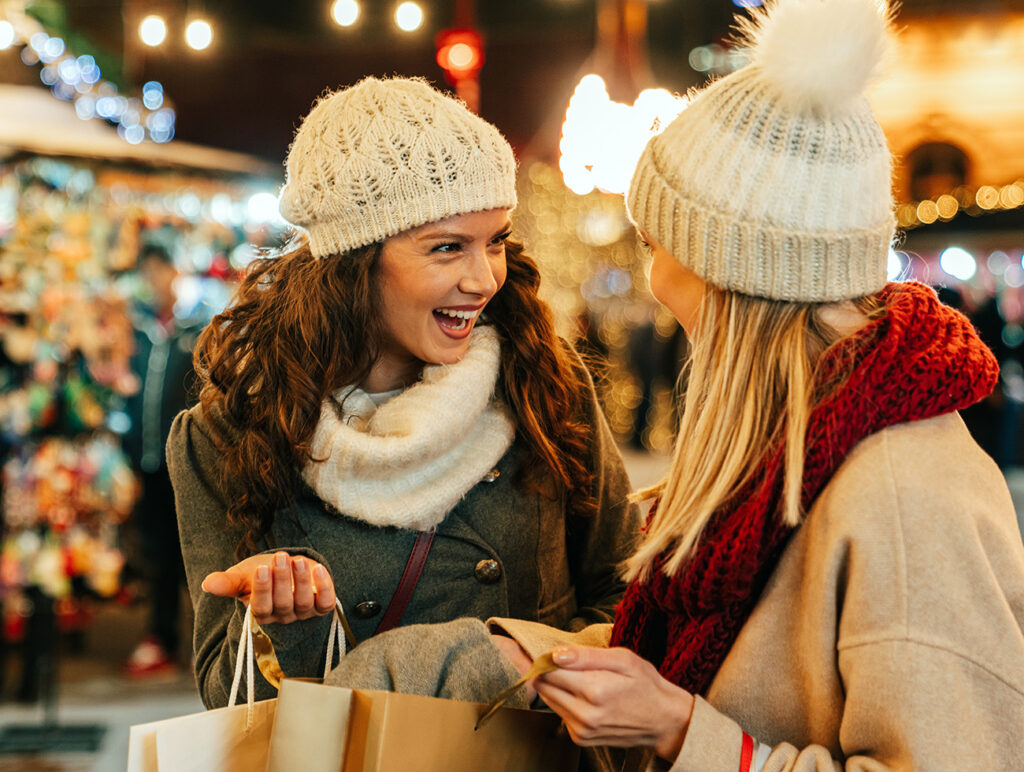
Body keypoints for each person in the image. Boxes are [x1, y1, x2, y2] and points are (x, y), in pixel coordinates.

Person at [490, 0, 1024, 768]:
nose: (650, 269)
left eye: (656, 239)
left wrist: (681, 730)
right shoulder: (792, 437)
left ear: (726, 269)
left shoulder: (906, 489)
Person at [166, 76, 639, 709]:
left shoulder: (541, 383)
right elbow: (227, 701)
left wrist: (511, 667)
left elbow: (627, 599)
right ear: (353, 263)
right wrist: (284, 627)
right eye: (447, 248)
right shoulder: (229, 431)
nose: (484, 279)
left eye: (494, 241)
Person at [122, 244, 200, 677]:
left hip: (186, 466)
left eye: (158, 271)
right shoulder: (136, 332)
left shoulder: (196, 329)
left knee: (194, 553)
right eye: (145, 273)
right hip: (146, 466)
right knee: (157, 555)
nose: (152, 281)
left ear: (174, 272)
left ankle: (200, 640)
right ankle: (159, 636)